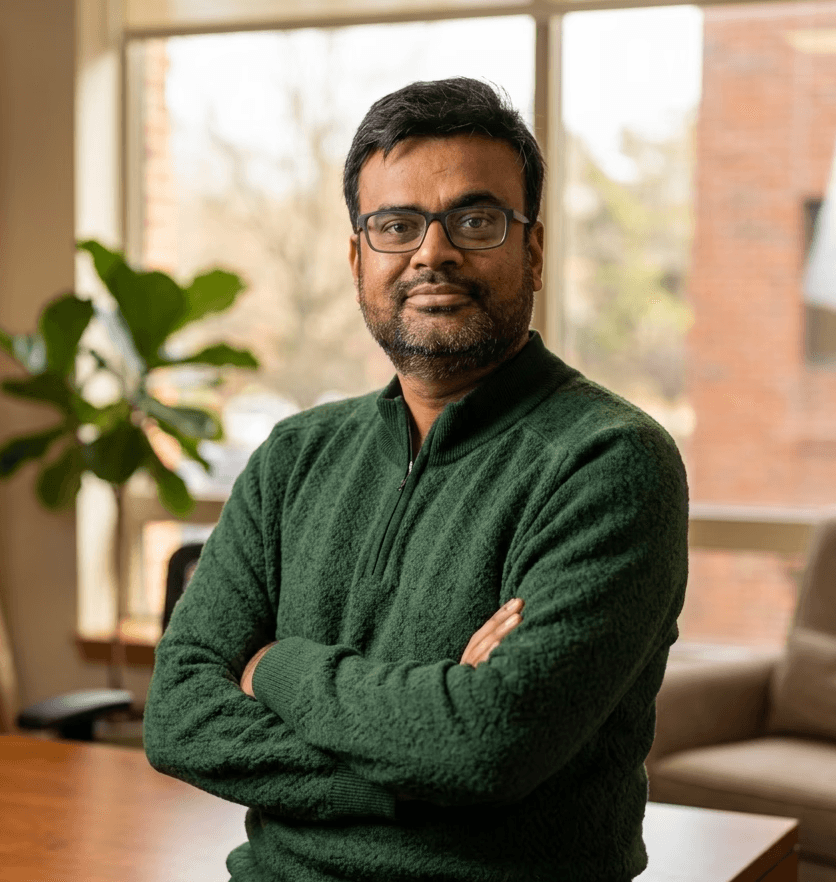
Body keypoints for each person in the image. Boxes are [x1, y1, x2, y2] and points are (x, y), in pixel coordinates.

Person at [144, 77, 688, 882]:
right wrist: (426, 763)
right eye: (396, 225)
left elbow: (488, 744)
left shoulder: (608, 462)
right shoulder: (294, 458)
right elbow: (179, 719)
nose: (432, 251)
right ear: (359, 257)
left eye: (475, 219)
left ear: (532, 249)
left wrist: (276, 666)